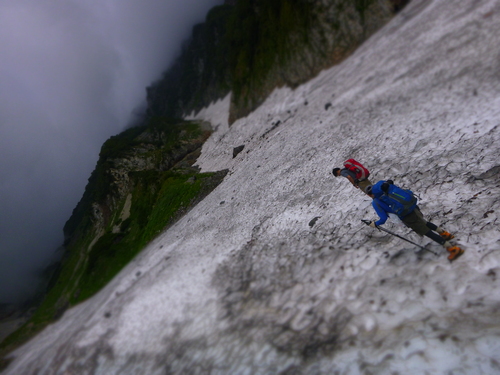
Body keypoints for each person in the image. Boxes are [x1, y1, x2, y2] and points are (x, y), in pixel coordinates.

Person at [365, 180, 463, 261]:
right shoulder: (387, 188)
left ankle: (452, 249)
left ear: (369, 195)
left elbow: (383, 218)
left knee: (426, 231)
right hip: (412, 207)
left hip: (406, 215)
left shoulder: (376, 202)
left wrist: (375, 224)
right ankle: (445, 234)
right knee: (424, 222)